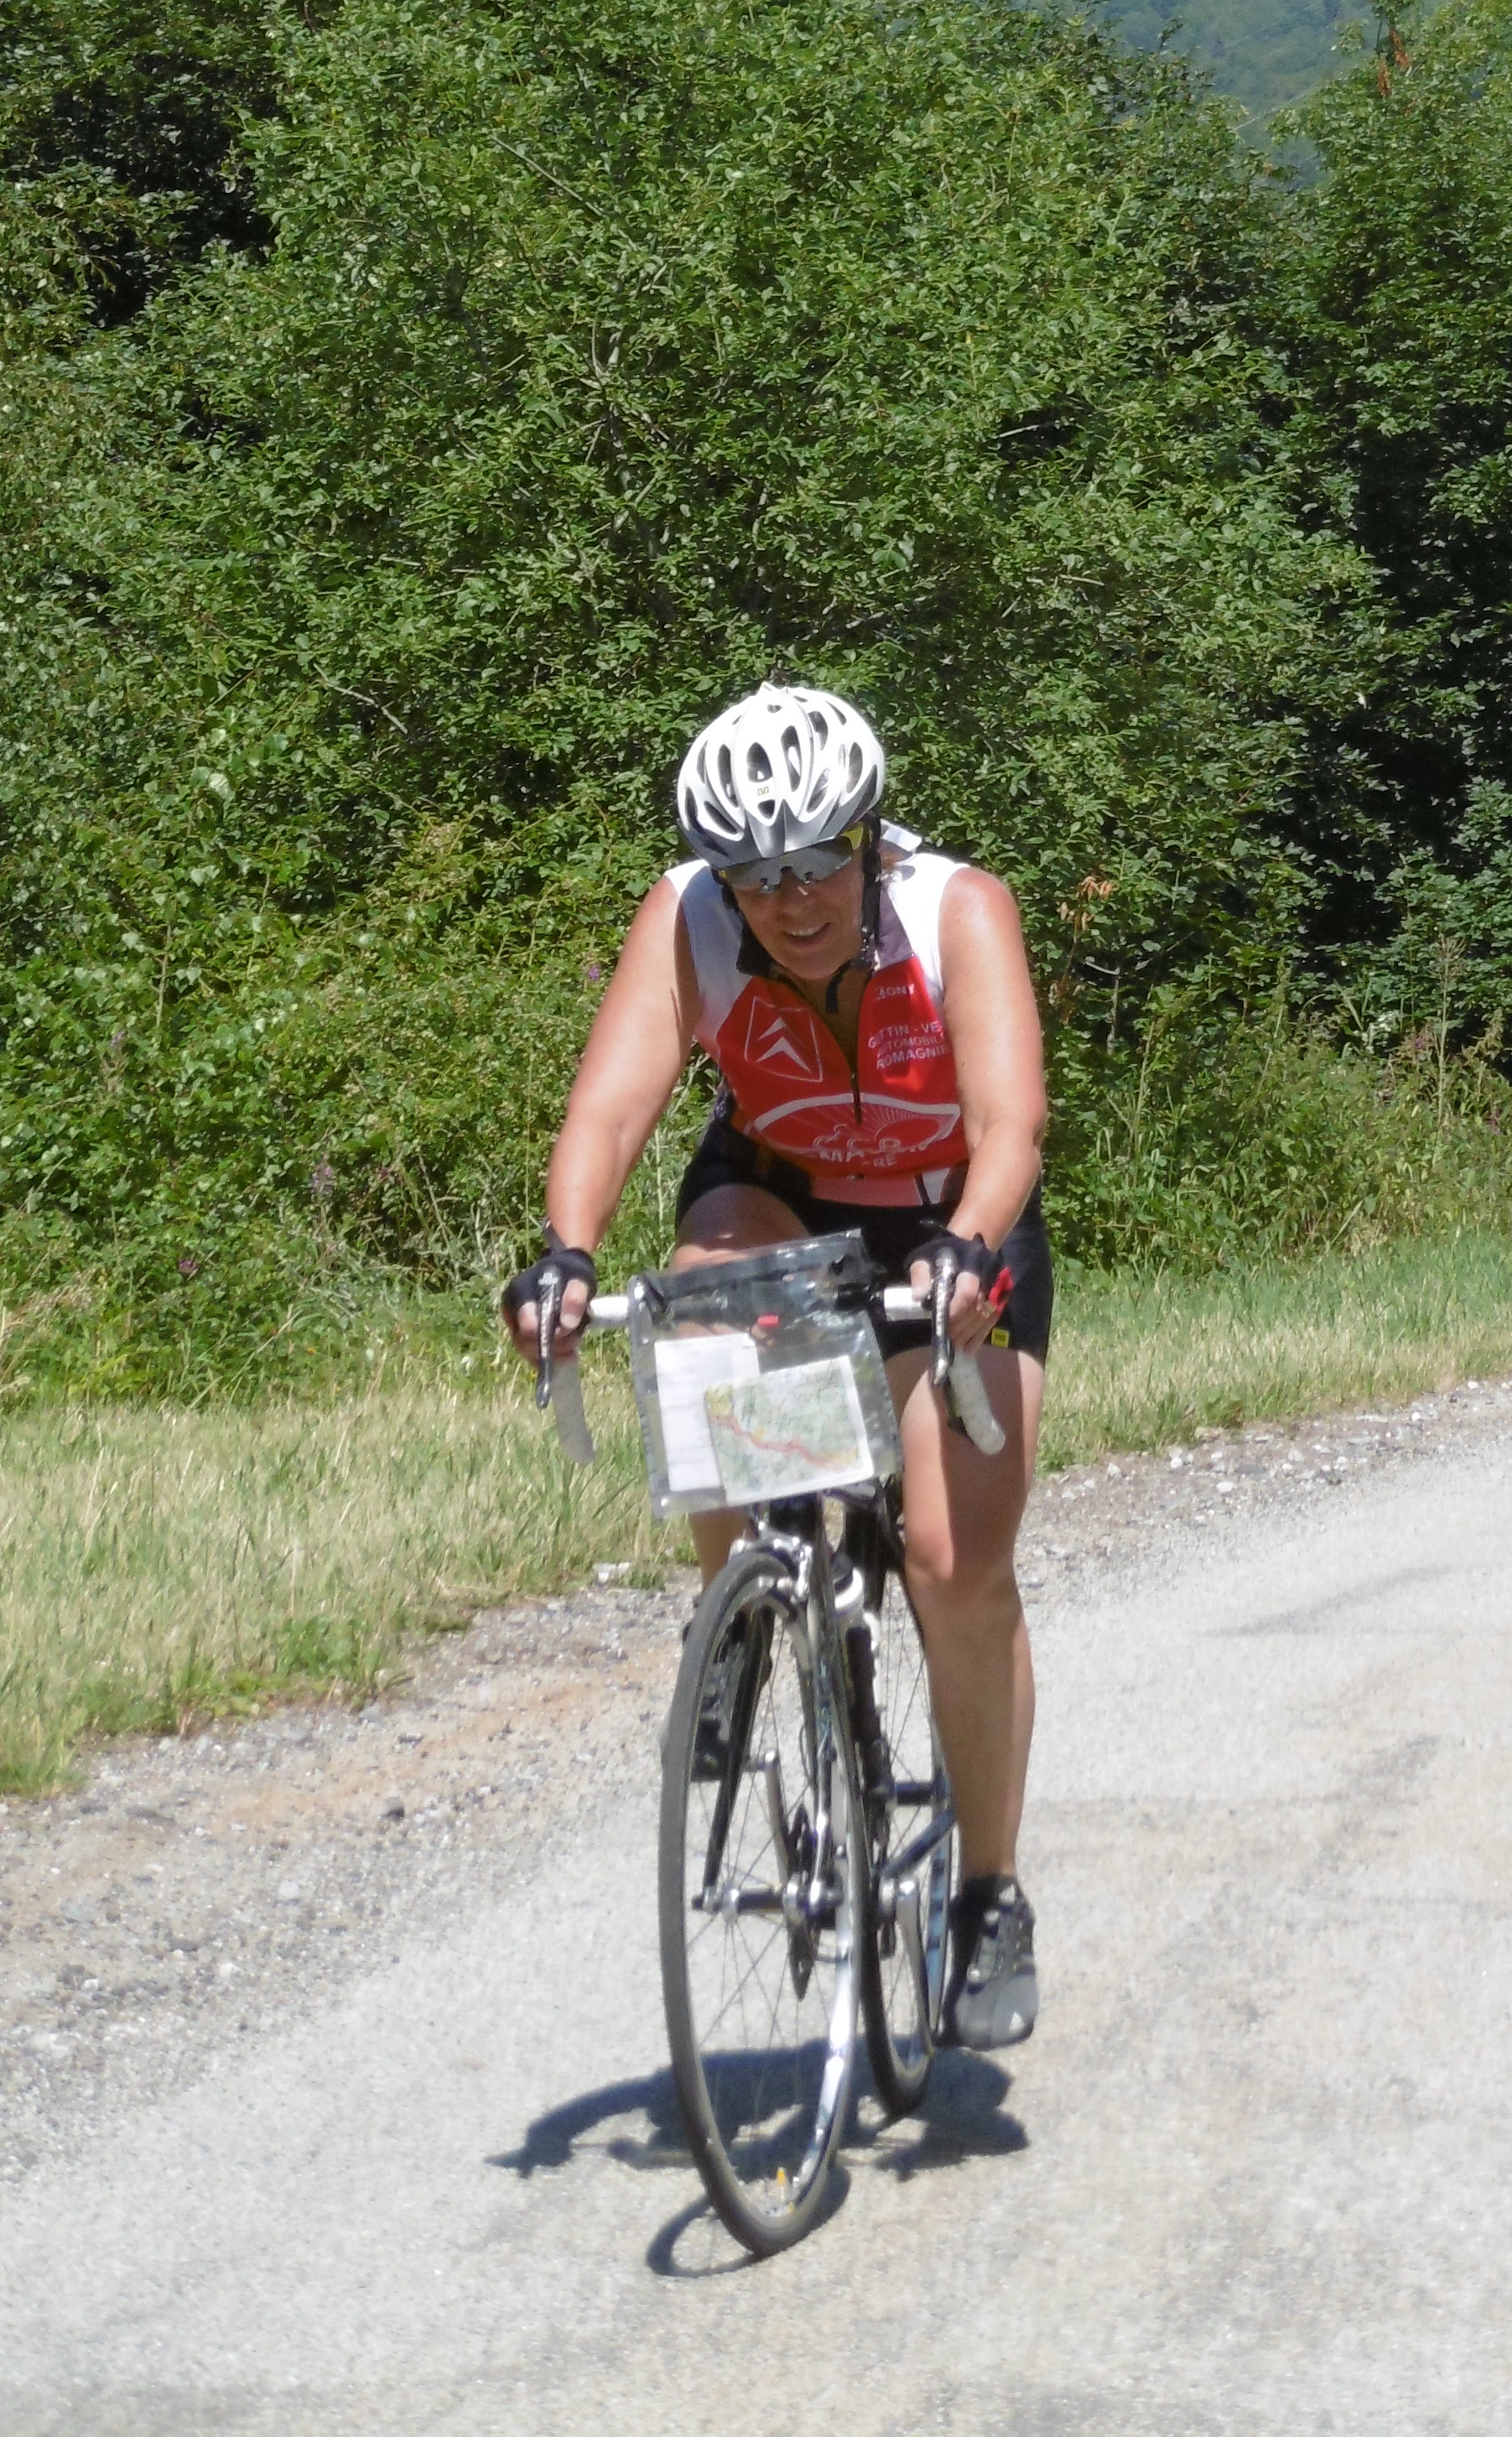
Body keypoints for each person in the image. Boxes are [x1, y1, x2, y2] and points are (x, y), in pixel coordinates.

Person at [502, 682, 1050, 2052]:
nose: (785, 898)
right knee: (700, 1300)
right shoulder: (689, 916)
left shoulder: (954, 909)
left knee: (951, 1559)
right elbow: (612, 1103)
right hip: (782, 1192)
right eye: (753, 875)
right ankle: (750, 1609)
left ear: (868, 838)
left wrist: (972, 1252)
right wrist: (564, 1253)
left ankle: (987, 1892)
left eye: (812, 864)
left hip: (947, 1215)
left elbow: (1012, 1123)